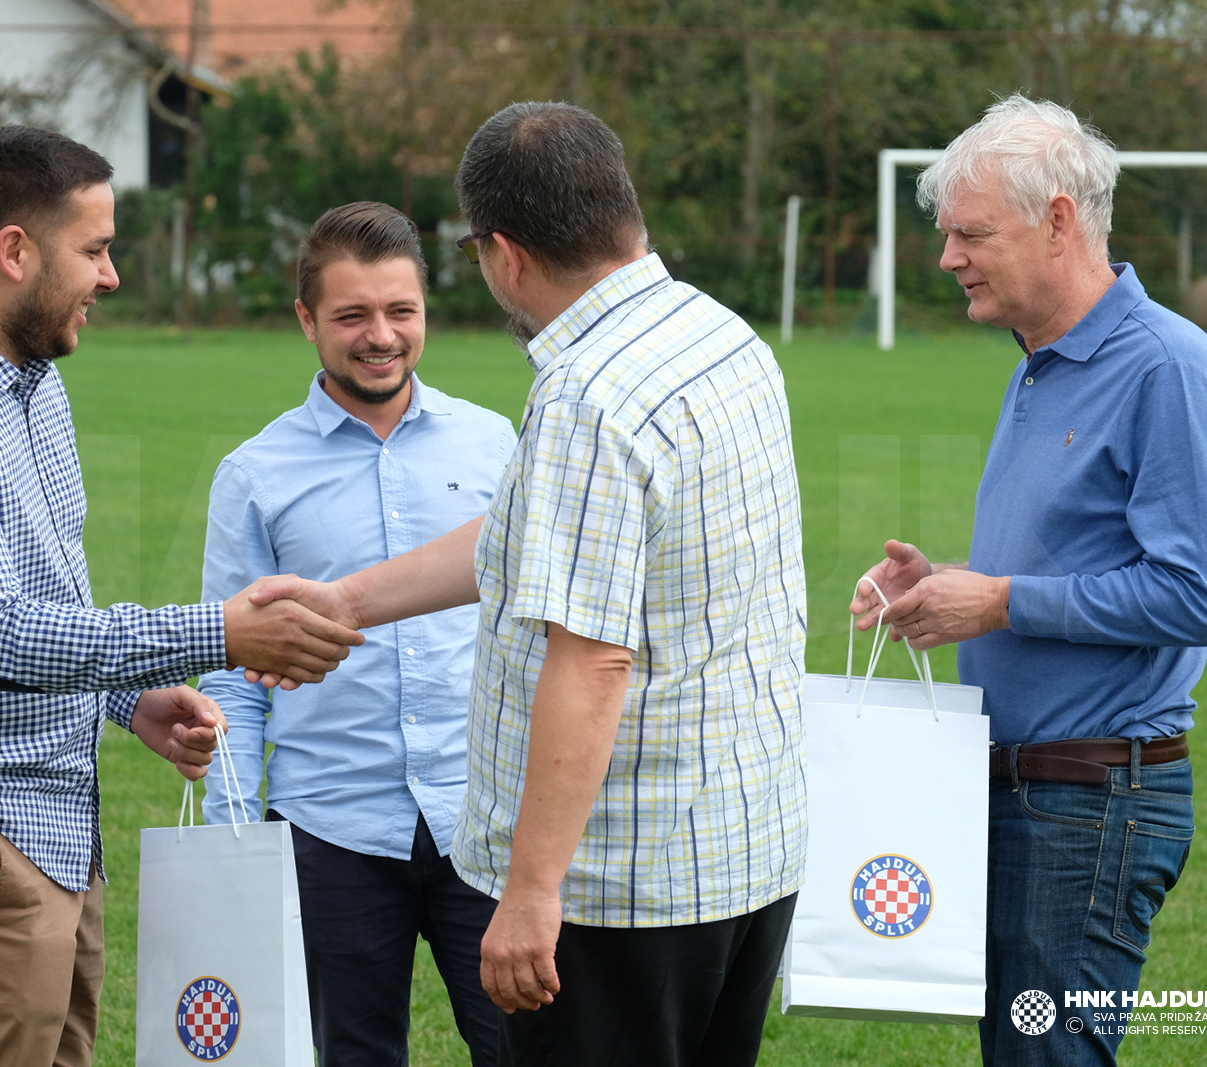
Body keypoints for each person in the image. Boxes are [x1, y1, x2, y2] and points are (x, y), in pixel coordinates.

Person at [246, 102, 809, 1066]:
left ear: (501, 253)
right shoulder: (720, 335)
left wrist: (533, 890)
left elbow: (591, 662)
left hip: (625, 893)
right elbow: (529, 540)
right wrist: (346, 603)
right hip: (745, 855)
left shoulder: (589, 394)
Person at [0, 125, 362, 1067]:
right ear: (15, 252)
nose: (111, 277)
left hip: (48, 825)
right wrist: (224, 632)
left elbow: (47, 599)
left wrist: (128, 700)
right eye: (96, 250)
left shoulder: (30, 383)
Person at [850, 95, 1207, 1066]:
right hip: (1016, 789)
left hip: (1092, 799)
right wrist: (938, 585)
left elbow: (1197, 596)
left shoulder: (1165, 367)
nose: (947, 257)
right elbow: (1071, 563)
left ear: (1059, 219)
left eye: (970, 232)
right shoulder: (1037, 365)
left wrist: (999, 601)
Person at [197, 201, 516, 1066]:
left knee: (528, 1048)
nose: (381, 335)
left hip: (484, 823)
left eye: (400, 311)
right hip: (328, 830)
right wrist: (235, 849)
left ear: (425, 311)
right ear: (307, 320)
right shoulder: (255, 475)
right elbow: (230, 670)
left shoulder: (499, 446)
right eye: (352, 315)